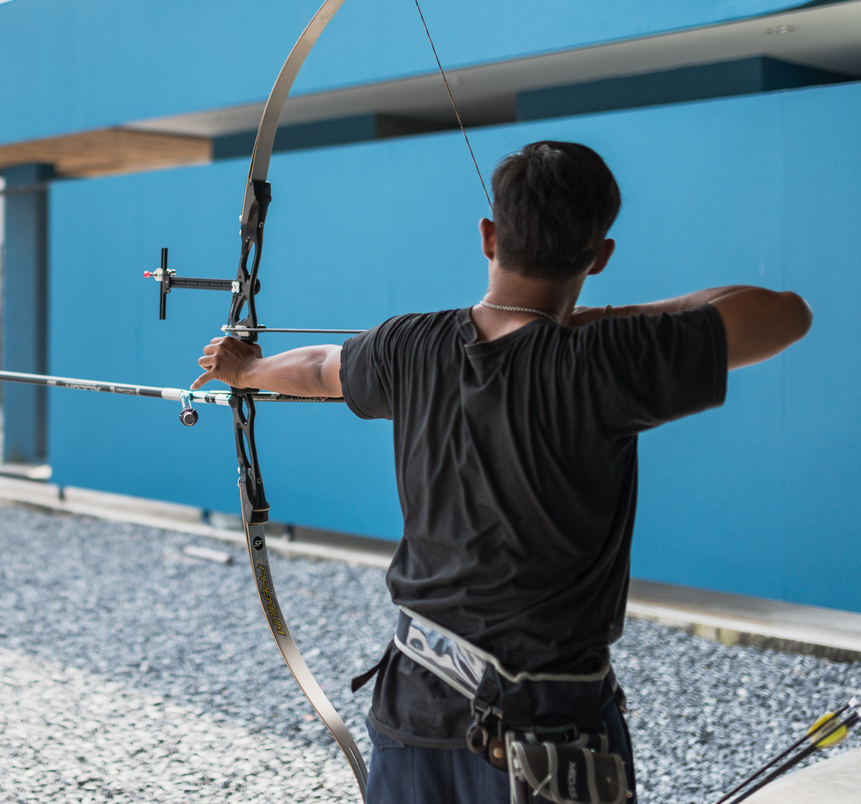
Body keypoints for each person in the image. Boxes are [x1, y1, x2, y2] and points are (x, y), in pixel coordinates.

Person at [191, 141, 811, 804]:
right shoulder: (606, 361)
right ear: (599, 257)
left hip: (414, 706)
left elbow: (321, 369)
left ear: (489, 237)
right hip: (551, 729)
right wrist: (602, 320)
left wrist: (246, 369)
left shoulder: (409, 343)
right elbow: (783, 312)